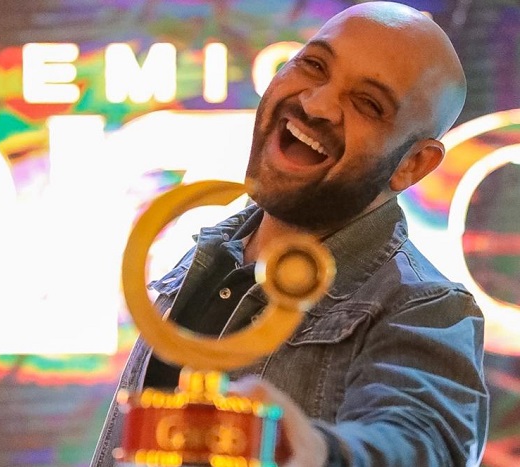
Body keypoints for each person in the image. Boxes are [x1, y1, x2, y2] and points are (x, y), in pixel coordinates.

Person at [91, 1, 489, 465]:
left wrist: (316, 450)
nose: (317, 104)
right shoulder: (212, 255)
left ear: (413, 164)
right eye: (314, 65)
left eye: (368, 104)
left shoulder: (424, 307)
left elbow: (424, 442)